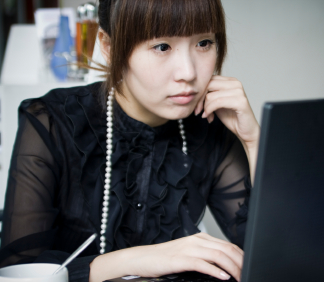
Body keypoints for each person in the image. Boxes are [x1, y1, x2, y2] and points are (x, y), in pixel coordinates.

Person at [0, 0, 260, 282]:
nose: (188, 72)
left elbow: (274, 254)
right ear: (110, 47)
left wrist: (253, 140)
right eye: (162, 47)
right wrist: (138, 260)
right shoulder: (53, 122)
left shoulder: (210, 127)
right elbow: (18, 271)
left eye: (204, 43)